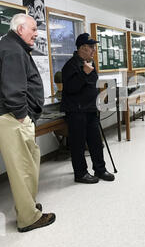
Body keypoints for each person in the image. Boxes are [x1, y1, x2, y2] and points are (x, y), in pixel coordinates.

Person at [0, 14, 56, 233]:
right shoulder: (12, 50)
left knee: (29, 163)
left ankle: (28, 207)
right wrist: (23, 116)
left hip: (15, 117)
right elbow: (13, 89)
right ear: (20, 28)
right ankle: (28, 218)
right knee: (23, 168)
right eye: (33, 29)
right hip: (14, 119)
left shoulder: (12, 46)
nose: (36, 33)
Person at [61, 33, 115, 184]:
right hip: (76, 111)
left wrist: (88, 72)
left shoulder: (90, 63)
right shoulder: (70, 65)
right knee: (78, 144)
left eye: (94, 47)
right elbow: (71, 88)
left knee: (96, 142)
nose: (94, 50)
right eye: (91, 47)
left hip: (90, 109)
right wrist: (84, 73)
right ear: (82, 48)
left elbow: (92, 82)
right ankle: (80, 173)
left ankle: (100, 169)